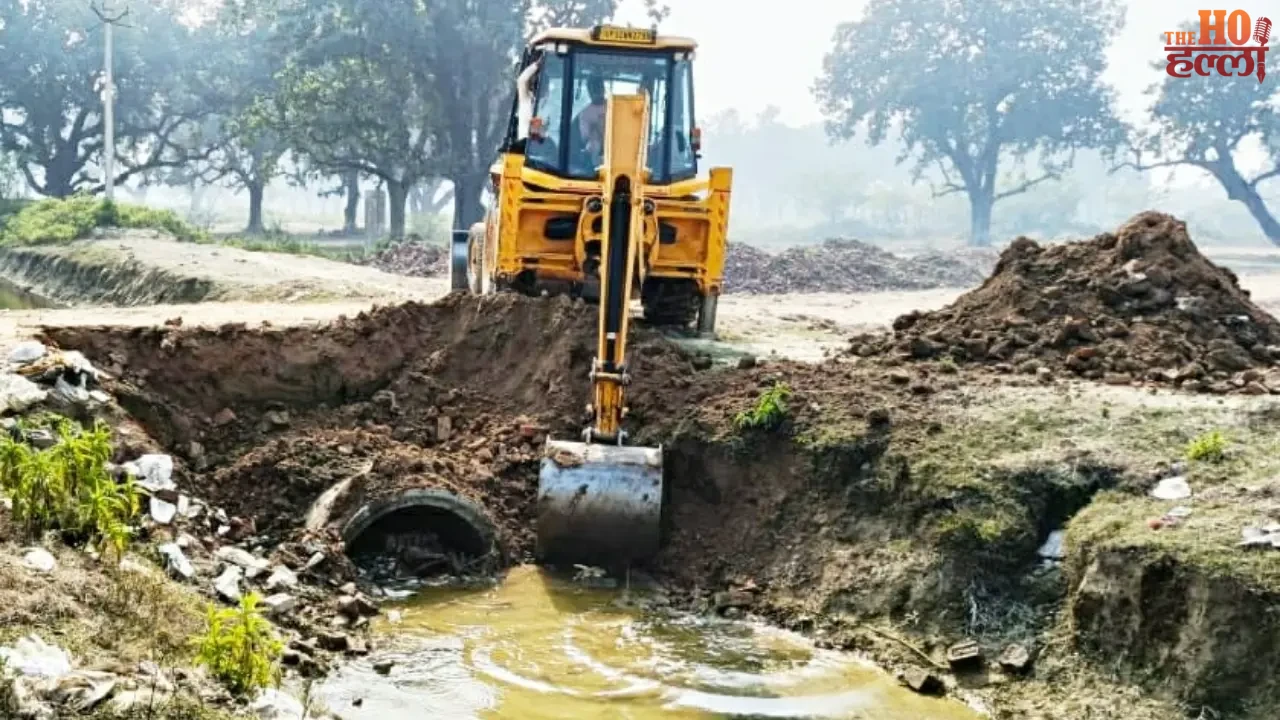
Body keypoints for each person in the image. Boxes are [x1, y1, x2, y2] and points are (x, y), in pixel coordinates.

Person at [576, 77, 608, 164]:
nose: (596, 91)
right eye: (593, 88)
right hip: (596, 153)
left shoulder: (616, 107)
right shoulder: (585, 114)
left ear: (603, 89)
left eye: (598, 87)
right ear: (589, 91)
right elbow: (585, 139)